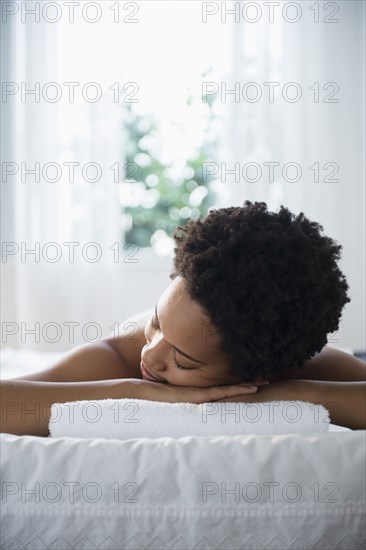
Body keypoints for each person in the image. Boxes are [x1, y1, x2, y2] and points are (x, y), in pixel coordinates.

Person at [1, 201, 365, 436]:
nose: (151, 355)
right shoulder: (122, 356)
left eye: (182, 360)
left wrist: (296, 393)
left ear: (256, 375)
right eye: (157, 323)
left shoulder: (290, 364)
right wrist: (133, 392)